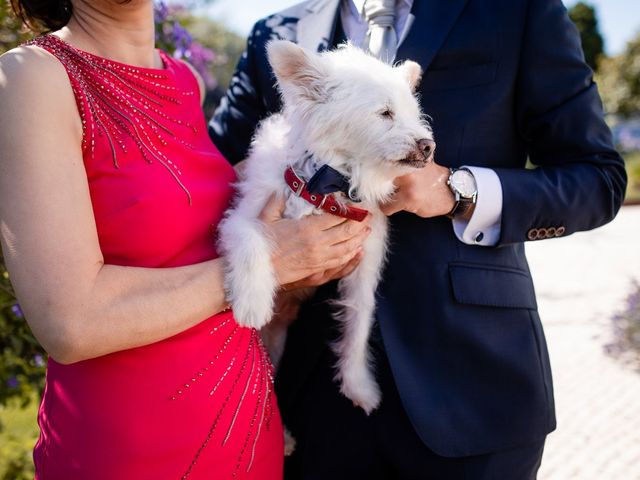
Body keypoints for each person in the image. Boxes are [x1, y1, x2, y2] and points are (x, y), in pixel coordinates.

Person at [209, 0, 628, 478]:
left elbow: (598, 180)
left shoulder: (518, 11)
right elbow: (207, 174)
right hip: (309, 397)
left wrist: (457, 190)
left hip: (472, 385)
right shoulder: (276, 32)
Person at [0, 0, 371, 478]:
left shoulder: (183, 80)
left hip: (245, 425)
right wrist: (266, 263)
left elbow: (184, 228)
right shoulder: (31, 78)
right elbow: (70, 324)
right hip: (130, 448)